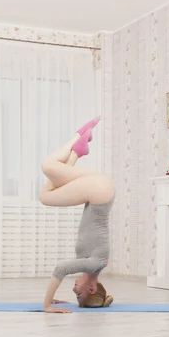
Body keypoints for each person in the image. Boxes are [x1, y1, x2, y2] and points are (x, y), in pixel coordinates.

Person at [39, 116, 115, 314]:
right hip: (99, 192)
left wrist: (52, 298)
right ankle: (77, 136)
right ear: (91, 288)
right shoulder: (93, 264)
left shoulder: (97, 264)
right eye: (78, 294)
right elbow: (60, 269)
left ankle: (77, 151)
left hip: (100, 191)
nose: (73, 289)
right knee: (47, 170)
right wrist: (47, 305)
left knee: (48, 188)